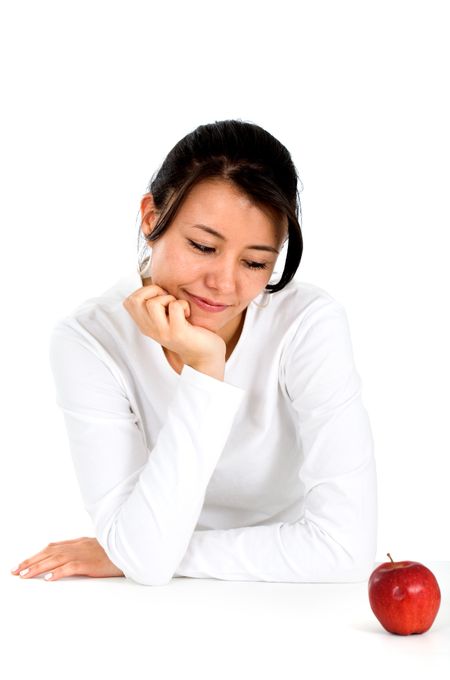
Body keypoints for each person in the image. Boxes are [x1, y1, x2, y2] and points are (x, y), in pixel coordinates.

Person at [11, 119, 377, 586]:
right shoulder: (89, 340)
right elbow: (144, 558)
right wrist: (206, 369)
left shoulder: (307, 325)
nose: (224, 284)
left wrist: (137, 551)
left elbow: (345, 550)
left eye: (255, 262)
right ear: (150, 218)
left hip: (294, 597)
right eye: (203, 246)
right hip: (170, 606)